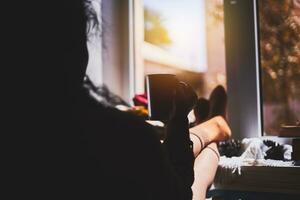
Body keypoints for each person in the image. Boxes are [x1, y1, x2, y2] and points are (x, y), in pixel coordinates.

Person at [6, 0, 231, 199]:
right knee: (198, 180)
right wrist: (179, 119)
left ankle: (212, 122)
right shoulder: (124, 137)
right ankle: (216, 123)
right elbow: (180, 191)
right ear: (76, 50)